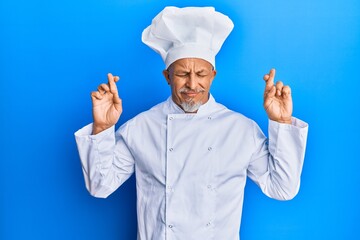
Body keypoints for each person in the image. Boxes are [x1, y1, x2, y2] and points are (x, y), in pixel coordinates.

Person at [75, 6, 308, 240]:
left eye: (201, 74)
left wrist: (282, 122)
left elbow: (283, 188)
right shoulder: (141, 127)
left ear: (213, 75)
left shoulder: (241, 129)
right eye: (182, 74)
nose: (192, 84)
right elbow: (100, 185)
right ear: (167, 76)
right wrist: (103, 128)